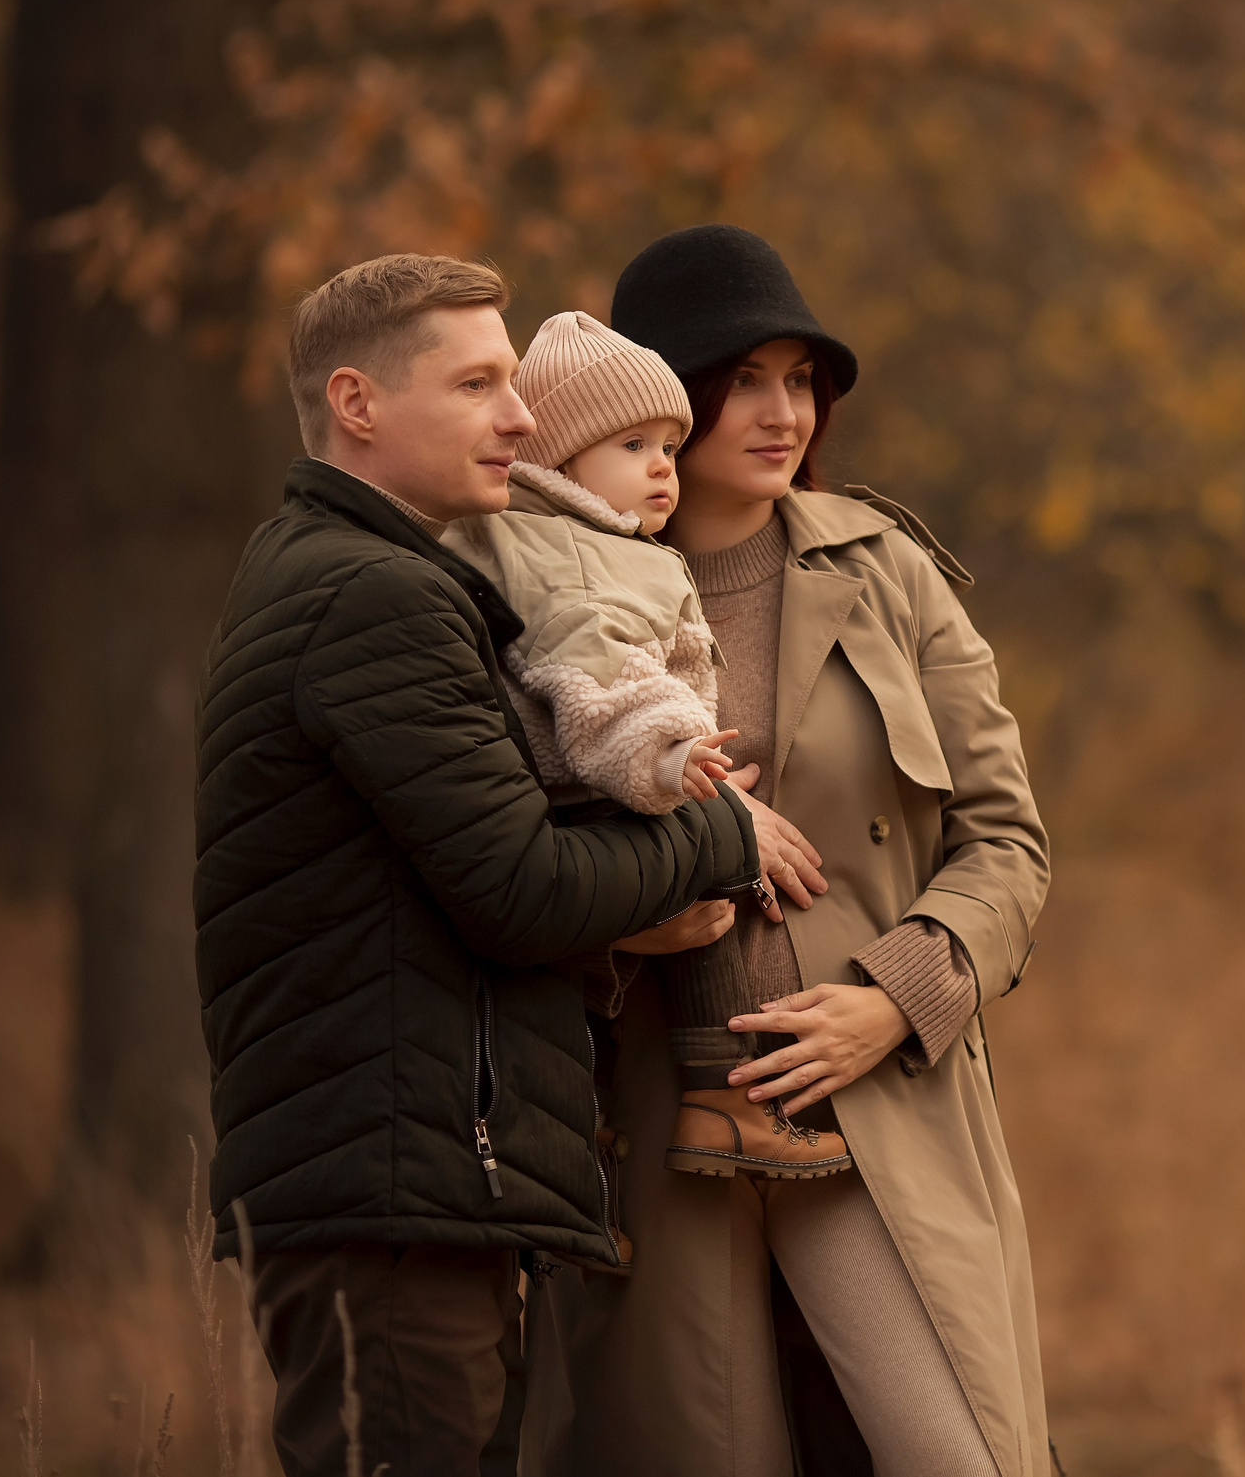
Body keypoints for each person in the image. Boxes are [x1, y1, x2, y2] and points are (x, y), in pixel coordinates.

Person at [192, 253, 770, 1477]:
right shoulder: (370, 596)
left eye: (514, 381)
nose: (520, 417)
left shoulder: (358, 574)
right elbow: (518, 889)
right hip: (394, 1193)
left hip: (405, 1186)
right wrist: (724, 836)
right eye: (476, 384)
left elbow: (450, 880)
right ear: (357, 404)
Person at [522, 226, 1054, 1477]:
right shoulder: (546, 597)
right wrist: (632, 917)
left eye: (801, 379)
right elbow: (506, 860)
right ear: (664, 396)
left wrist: (894, 999)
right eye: (744, 378)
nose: (784, 412)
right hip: (652, 1137)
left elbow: (1008, 842)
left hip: (873, 1110)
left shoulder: (889, 570)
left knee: (954, 1457)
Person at [443, 308, 850, 1177]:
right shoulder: (576, 558)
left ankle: (621, 1137)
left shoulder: (594, 546)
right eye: (634, 447)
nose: (661, 466)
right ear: (558, 461)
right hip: (605, 776)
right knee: (719, 883)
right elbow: (599, 670)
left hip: (599, 782)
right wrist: (677, 758)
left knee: (654, 943)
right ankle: (717, 1101)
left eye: (669, 444)